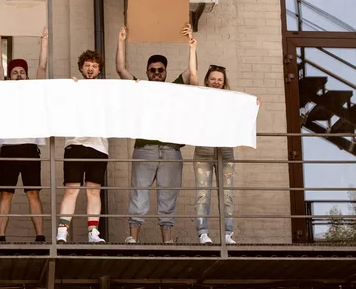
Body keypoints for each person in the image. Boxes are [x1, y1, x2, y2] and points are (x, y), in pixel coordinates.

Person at [116, 24, 198, 244]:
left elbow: (192, 73)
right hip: (145, 148)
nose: (156, 73)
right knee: (139, 193)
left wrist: (191, 45)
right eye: (152, 70)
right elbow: (121, 69)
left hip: (171, 150)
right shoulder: (140, 87)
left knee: (168, 195)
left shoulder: (175, 87)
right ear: (147, 72)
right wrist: (121, 41)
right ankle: (133, 238)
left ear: (165, 72)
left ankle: (167, 241)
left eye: (160, 70)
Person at [0, 26, 48, 243]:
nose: (17, 75)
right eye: (14, 72)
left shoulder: (35, 90)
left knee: (33, 192)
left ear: (26, 75)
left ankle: (40, 236)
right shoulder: (3, 90)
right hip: (8, 148)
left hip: (29, 148)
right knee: (6, 193)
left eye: (21, 72)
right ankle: (1, 236)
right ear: (9, 75)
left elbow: (42, 66)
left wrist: (44, 41)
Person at [194, 65, 260, 245]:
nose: (216, 82)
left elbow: (243, 114)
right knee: (202, 194)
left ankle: (227, 234)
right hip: (204, 150)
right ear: (207, 80)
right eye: (213, 78)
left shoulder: (231, 100)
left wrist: (253, 105)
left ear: (224, 83)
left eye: (220, 80)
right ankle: (203, 234)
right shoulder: (199, 97)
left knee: (227, 195)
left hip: (225, 150)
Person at [56, 50, 108, 244]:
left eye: (94, 66)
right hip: (75, 144)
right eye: (87, 65)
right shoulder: (72, 87)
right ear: (81, 67)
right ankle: (62, 231)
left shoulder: (106, 90)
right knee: (71, 189)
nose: (90, 69)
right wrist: (69, 89)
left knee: (94, 190)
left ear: (99, 70)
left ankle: (93, 231)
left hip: (98, 146)